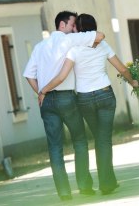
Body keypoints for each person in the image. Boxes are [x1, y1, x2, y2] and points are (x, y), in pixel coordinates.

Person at [38, 13, 139, 195]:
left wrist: (44, 90)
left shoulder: (74, 50)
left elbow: (61, 77)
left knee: (99, 138)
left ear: (79, 28)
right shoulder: (103, 46)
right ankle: (107, 183)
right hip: (105, 95)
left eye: (75, 25)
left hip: (84, 100)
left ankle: (107, 182)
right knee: (104, 139)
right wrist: (133, 82)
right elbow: (122, 68)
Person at [23, 11, 105, 201]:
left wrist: (40, 93)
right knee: (80, 141)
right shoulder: (70, 41)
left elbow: (28, 74)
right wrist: (81, 36)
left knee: (54, 147)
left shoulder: (39, 46)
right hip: (66, 98)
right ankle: (85, 186)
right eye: (72, 25)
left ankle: (64, 192)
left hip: (47, 102)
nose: (74, 28)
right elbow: (100, 36)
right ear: (62, 25)